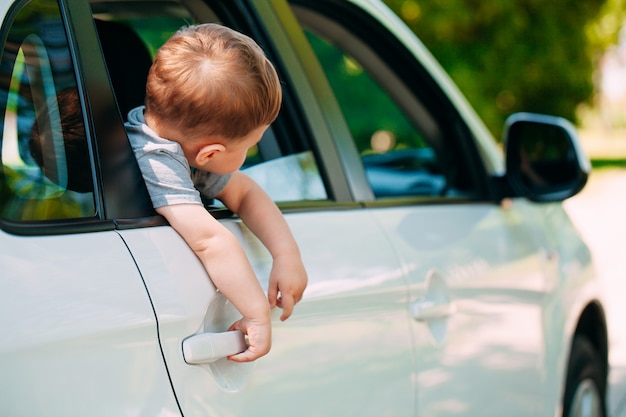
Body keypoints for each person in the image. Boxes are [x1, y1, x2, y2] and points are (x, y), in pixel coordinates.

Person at [124, 23, 308, 362]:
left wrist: (286, 255)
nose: (247, 159)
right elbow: (209, 241)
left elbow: (245, 194)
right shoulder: (155, 159)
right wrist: (256, 315)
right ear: (209, 154)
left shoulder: (175, 142)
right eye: (250, 148)